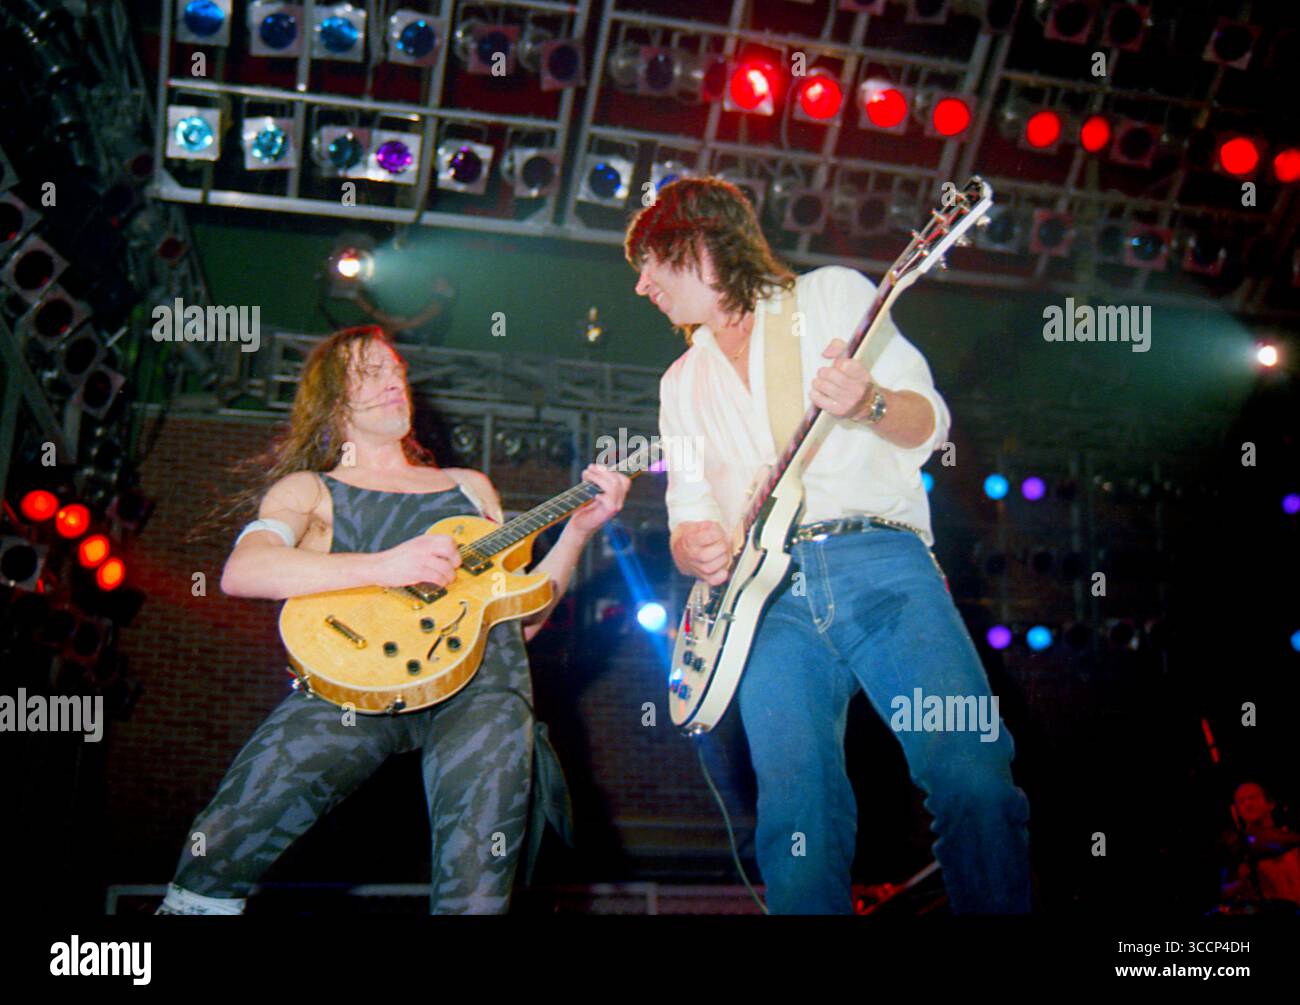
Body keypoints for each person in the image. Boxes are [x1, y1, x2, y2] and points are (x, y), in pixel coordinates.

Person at [626, 177, 1031, 914]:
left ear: (702, 244)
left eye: (651, 262)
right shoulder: (681, 380)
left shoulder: (834, 297)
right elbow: (687, 511)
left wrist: (868, 402)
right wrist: (696, 547)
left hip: (878, 563)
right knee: (797, 817)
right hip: (765, 605)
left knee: (972, 774)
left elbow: (927, 424)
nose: (642, 285)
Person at [156, 324, 629, 915]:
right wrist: (387, 565)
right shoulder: (309, 488)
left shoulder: (468, 487)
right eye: (370, 372)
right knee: (224, 839)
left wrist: (579, 533)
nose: (393, 382)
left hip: (481, 690)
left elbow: (520, 619)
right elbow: (243, 572)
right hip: (349, 683)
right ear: (333, 399)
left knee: (480, 886)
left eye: (396, 371)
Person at [1218, 781, 1300, 909]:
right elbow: (1223, 890)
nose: (1248, 804)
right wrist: (1239, 885)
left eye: (1253, 798)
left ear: (1271, 804)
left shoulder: (1288, 836)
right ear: (1236, 811)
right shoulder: (1236, 843)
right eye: (1241, 801)